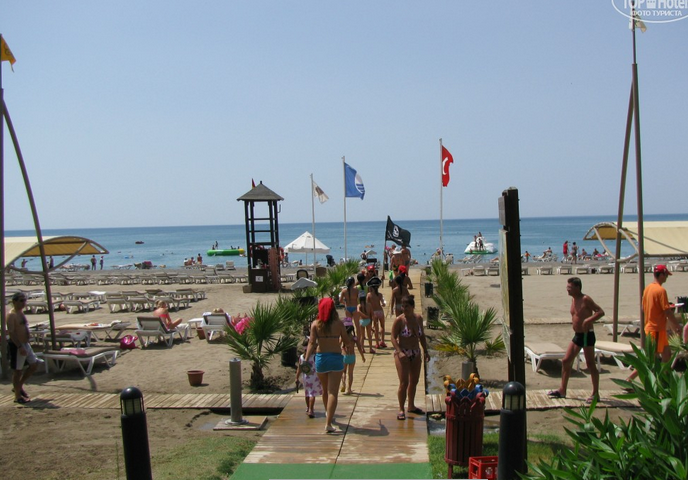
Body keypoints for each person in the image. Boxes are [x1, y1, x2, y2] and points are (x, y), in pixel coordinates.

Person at [548, 277, 604, 403]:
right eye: (567, 287)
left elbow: (600, 312)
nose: (567, 290)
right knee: (566, 361)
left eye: (570, 287)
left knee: (590, 364)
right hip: (578, 335)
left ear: (577, 288)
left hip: (587, 335)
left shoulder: (585, 299)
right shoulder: (573, 299)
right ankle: (562, 390)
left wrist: (588, 320)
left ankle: (595, 394)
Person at [626, 265, 682, 382]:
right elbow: (667, 311)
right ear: (661, 275)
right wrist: (677, 326)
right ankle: (630, 379)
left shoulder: (648, 288)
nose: (666, 277)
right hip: (656, 329)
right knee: (650, 358)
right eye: (666, 275)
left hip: (654, 327)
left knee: (666, 354)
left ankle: (664, 379)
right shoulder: (661, 290)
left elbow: (643, 308)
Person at [305, 297, 352, 433]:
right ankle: (328, 423)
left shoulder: (315, 324)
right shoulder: (338, 324)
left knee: (325, 391)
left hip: (321, 359)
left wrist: (306, 360)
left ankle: (328, 414)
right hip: (335, 358)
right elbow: (347, 341)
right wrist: (347, 344)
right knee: (333, 392)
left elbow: (311, 343)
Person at [390, 295, 429, 420]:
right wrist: (399, 351)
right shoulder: (399, 320)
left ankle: (411, 405)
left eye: (407, 306)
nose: (404, 309)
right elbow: (393, 337)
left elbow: (421, 336)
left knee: (414, 381)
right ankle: (401, 409)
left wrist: (426, 351)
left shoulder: (418, 319)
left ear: (412, 306)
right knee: (404, 382)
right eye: (403, 306)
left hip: (415, 352)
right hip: (403, 353)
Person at [8, 292, 40, 404]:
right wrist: (19, 346)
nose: (24, 303)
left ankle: (18, 386)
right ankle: (17, 396)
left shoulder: (21, 312)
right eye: (21, 301)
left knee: (34, 364)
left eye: (25, 300)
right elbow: (12, 333)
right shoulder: (11, 315)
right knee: (18, 371)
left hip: (26, 343)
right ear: (14, 301)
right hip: (17, 345)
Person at [340, 313, 366, 395]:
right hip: (352, 356)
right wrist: (362, 356)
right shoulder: (354, 338)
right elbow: (359, 347)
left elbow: (338, 345)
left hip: (344, 355)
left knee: (343, 372)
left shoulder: (343, 337)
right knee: (350, 373)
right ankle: (349, 389)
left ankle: (343, 383)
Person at [295, 352, 323, 418]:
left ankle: (308, 407)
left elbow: (299, 368)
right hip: (314, 377)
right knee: (312, 394)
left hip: (305, 378)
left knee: (307, 393)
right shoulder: (314, 356)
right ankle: (311, 410)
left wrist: (297, 377)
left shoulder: (302, 357)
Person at [366, 277, 386, 351]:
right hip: (380, 311)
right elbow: (383, 303)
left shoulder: (369, 295)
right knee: (382, 326)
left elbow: (367, 304)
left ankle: (377, 343)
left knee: (376, 328)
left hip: (373, 312)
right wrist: (383, 304)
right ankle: (382, 341)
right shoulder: (380, 294)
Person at [358, 289, 376, 354]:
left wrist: (363, 316)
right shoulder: (369, 305)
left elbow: (358, 311)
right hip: (368, 321)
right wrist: (374, 322)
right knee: (369, 336)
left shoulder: (359, 306)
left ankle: (362, 348)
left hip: (361, 321)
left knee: (362, 336)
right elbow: (372, 314)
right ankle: (370, 348)